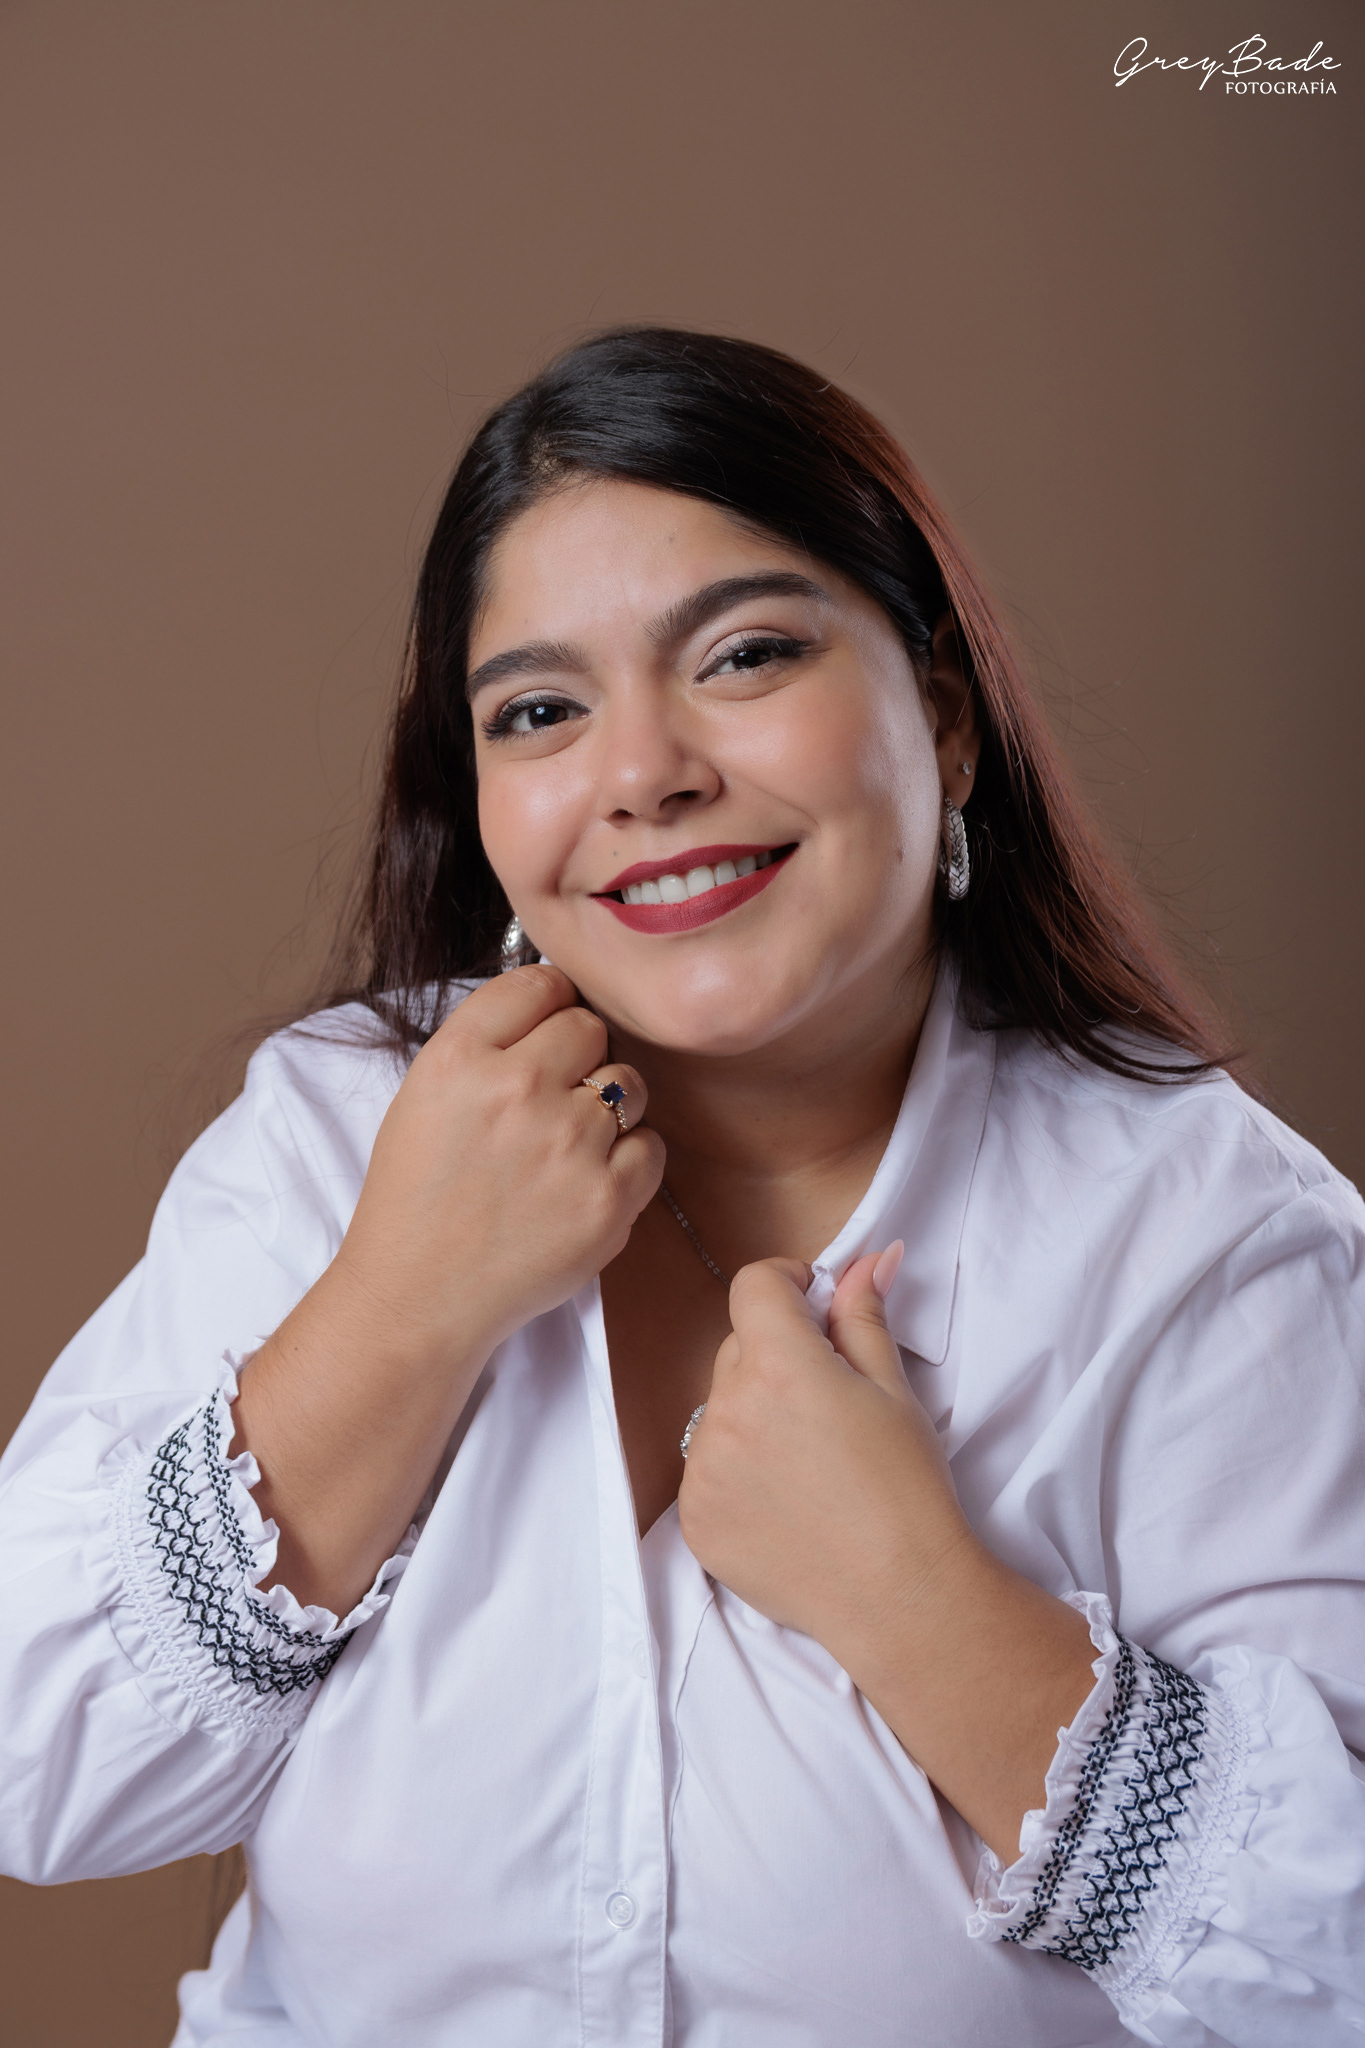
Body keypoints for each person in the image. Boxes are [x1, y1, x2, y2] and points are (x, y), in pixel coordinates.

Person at [1, 328, 1361, 2048]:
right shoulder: (333, 1140)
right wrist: (395, 1314)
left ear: (943, 722)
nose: (642, 773)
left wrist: (924, 1608)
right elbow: (34, 1773)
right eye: (541, 711)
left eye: (743, 655)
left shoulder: (1209, 1245)